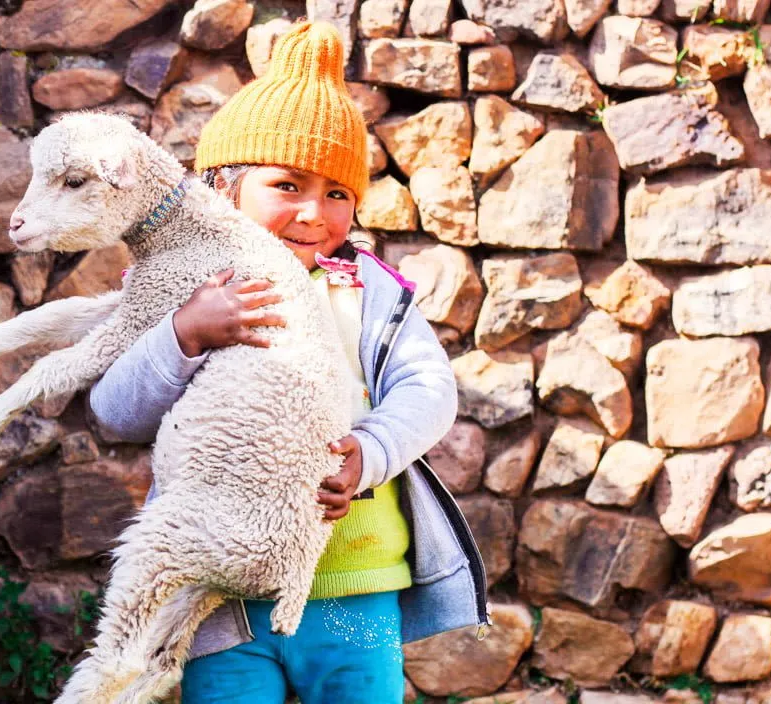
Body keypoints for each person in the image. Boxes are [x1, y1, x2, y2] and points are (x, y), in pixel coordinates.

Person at [88, 20, 488, 704]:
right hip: (218, 600)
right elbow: (114, 412)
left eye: (338, 193)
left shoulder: (367, 295)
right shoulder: (188, 294)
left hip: (354, 590)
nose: (315, 211)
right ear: (222, 188)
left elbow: (428, 389)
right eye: (288, 184)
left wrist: (369, 451)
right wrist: (184, 333)